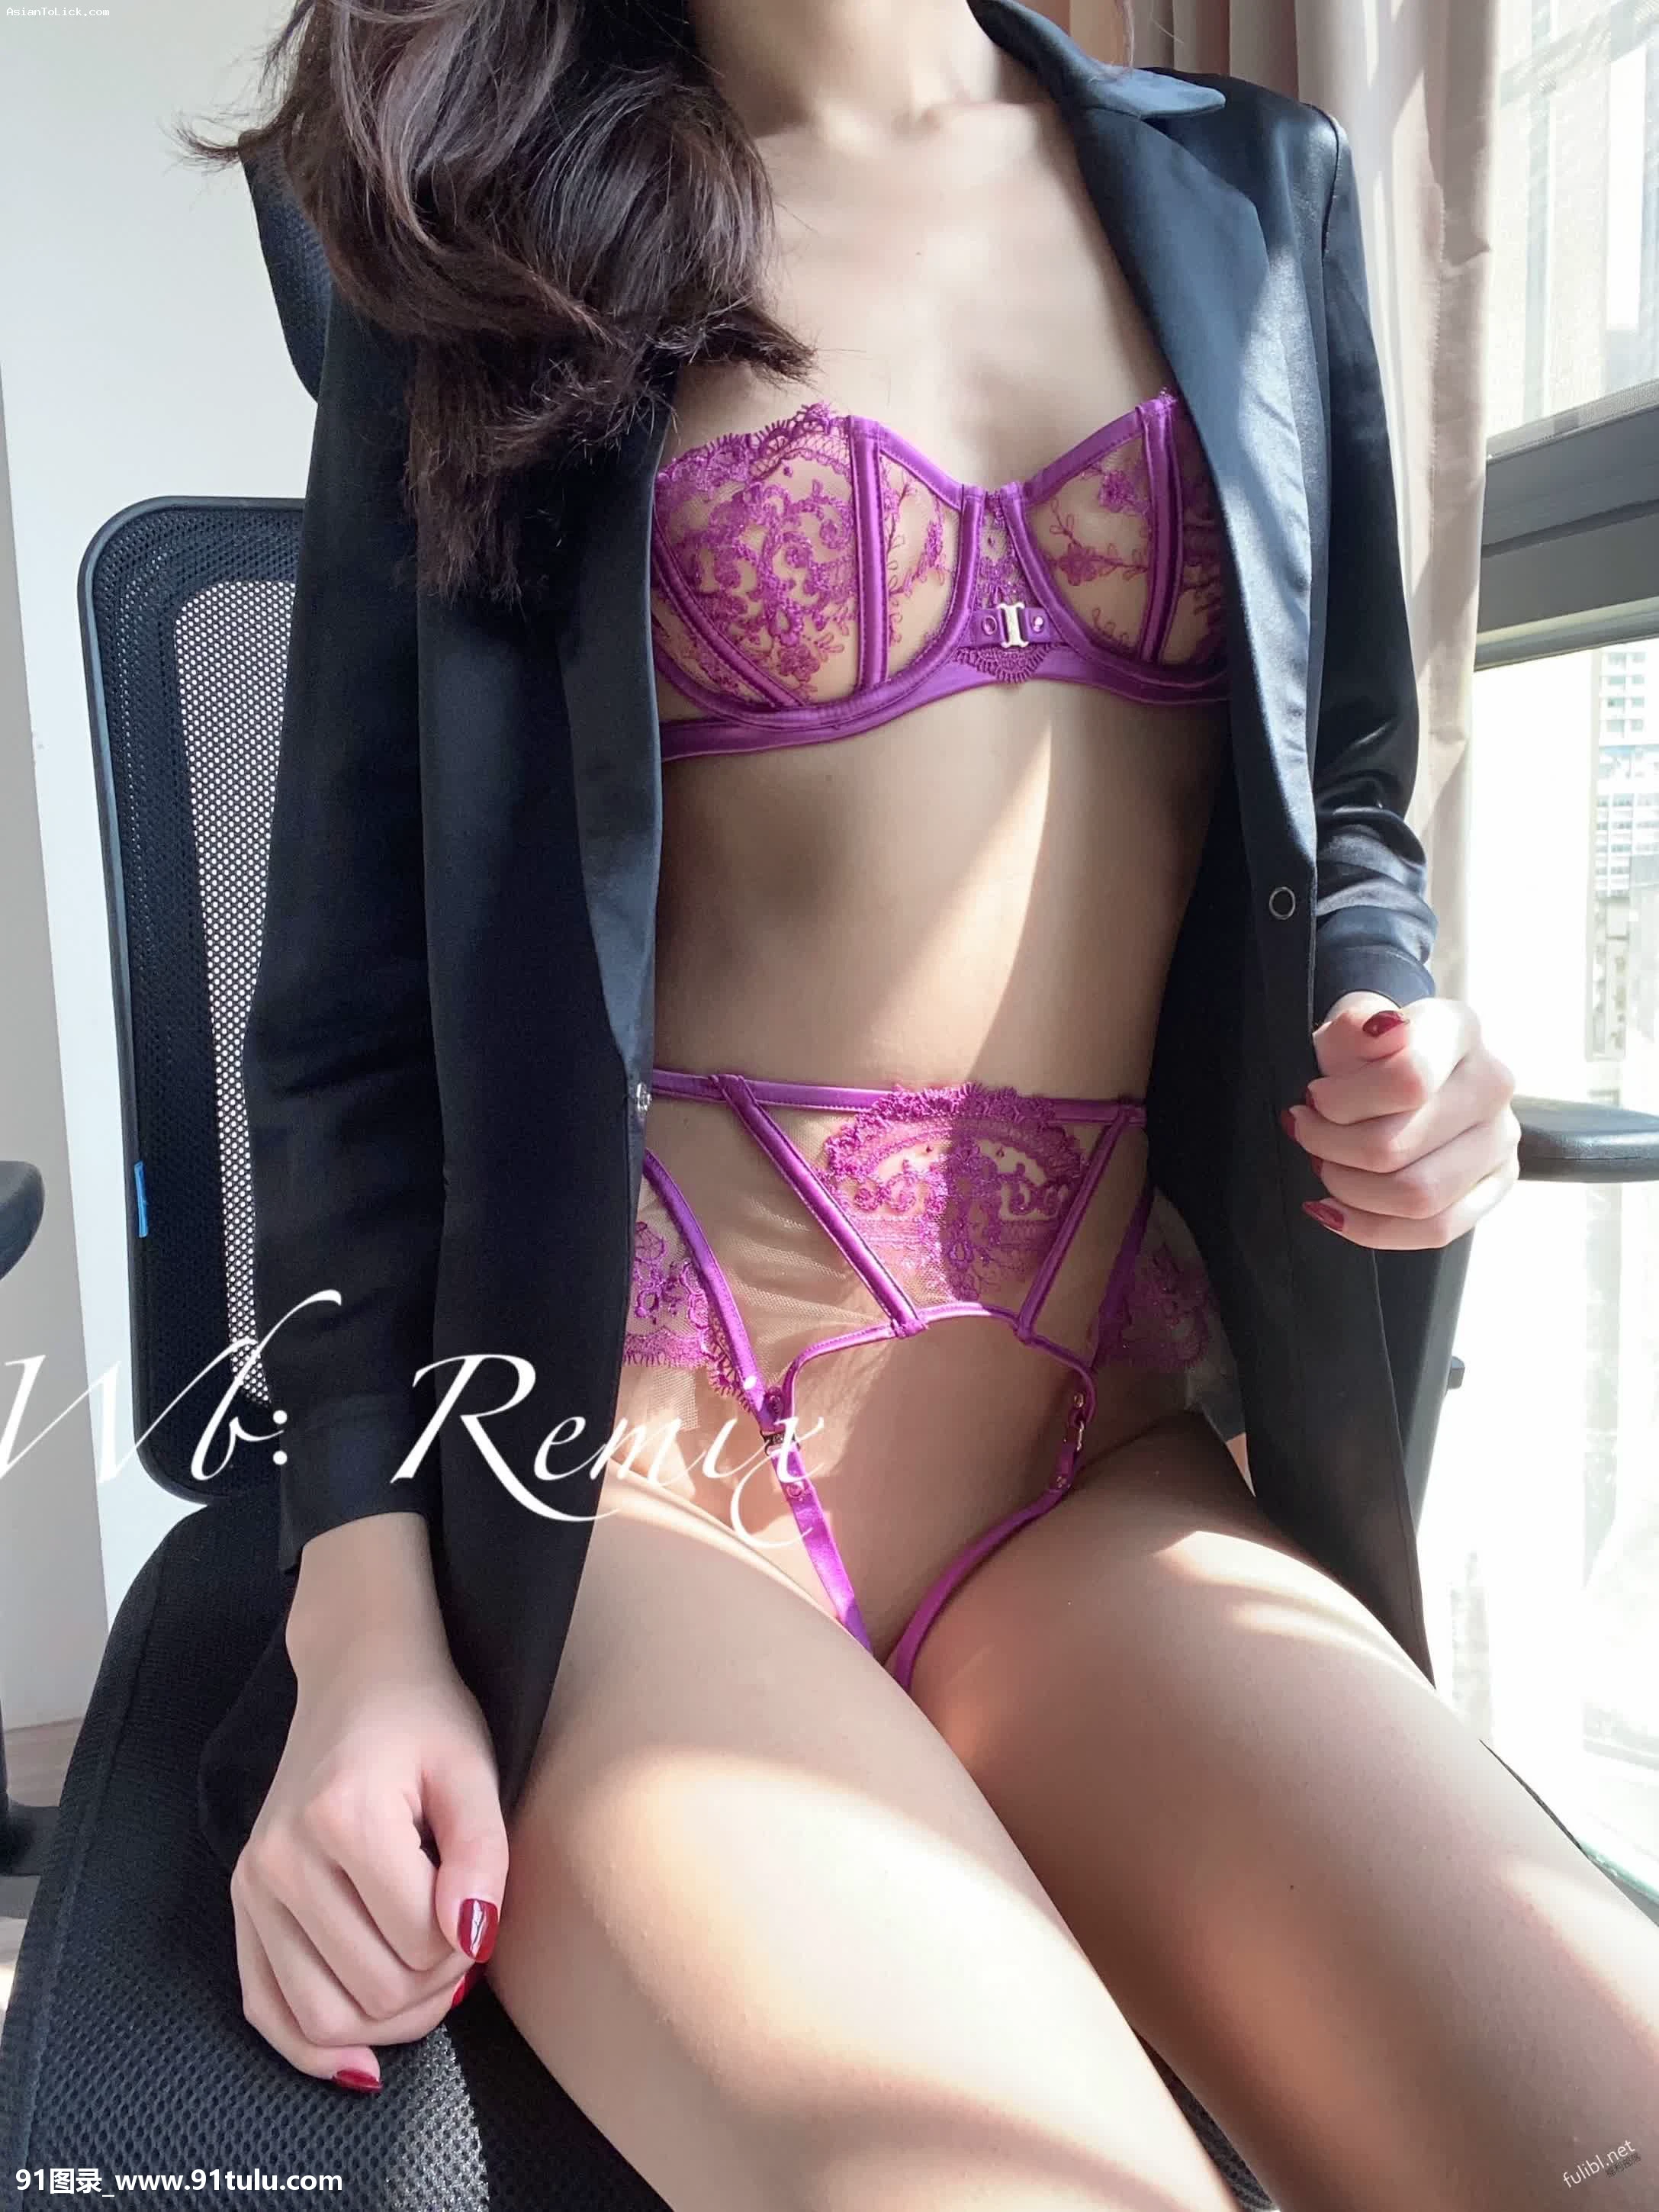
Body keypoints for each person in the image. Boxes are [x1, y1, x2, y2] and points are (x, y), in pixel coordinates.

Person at [185, 2, 1659, 2207]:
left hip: (1094, 1467)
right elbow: (341, 1029)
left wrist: (1398, 1023)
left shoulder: (1252, 195)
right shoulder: (490, 235)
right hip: (641, 1487)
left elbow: (1344, 791)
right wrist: (360, 1630)